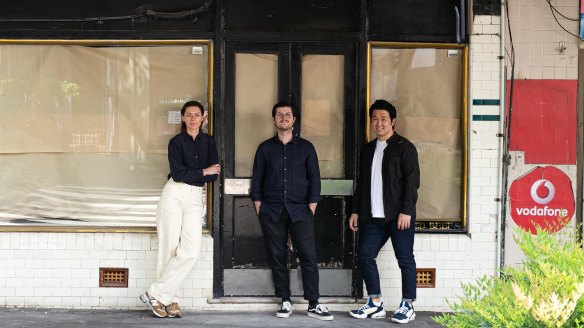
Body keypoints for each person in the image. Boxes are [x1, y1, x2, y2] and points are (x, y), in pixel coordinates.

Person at [250, 102, 333, 321]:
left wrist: (312, 205)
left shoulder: (306, 148)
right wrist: (259, 204)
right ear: (274, 119)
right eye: (280, 115)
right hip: (272, 211)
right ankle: (285, 301)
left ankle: (314, 304)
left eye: (288, 115)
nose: (284, 118)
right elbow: (257, 178)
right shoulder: (265, 148)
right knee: (277, 256)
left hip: (300, 211)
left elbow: (315, 179)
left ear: (294, 119)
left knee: (308, 256)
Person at [140, 100, 220, 318]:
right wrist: (203, 171)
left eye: (197, 114)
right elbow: (178, 174)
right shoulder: (175, 142)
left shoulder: (209, 142)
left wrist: (199, 173)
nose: (193, 118)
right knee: (169, 248)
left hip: (195, 196)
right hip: (174, 194)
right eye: (189, 115)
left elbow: (215, 174)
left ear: (203, 118)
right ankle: (170, 300)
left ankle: (154, 294)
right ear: (183, 118)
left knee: (191, 251)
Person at [348, 99, 420, 324]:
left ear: (393, 121)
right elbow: (362, 184)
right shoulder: (368, 149)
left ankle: (408, 304)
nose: (378, 123)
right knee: (365, 254)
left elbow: (412, 182)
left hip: (399, 216)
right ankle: (375, 303)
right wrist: (355, 211)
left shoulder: (404, 147)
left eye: (383, 119)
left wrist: (406, 211)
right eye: (374, 119)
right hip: (373, 217)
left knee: (405, 259)